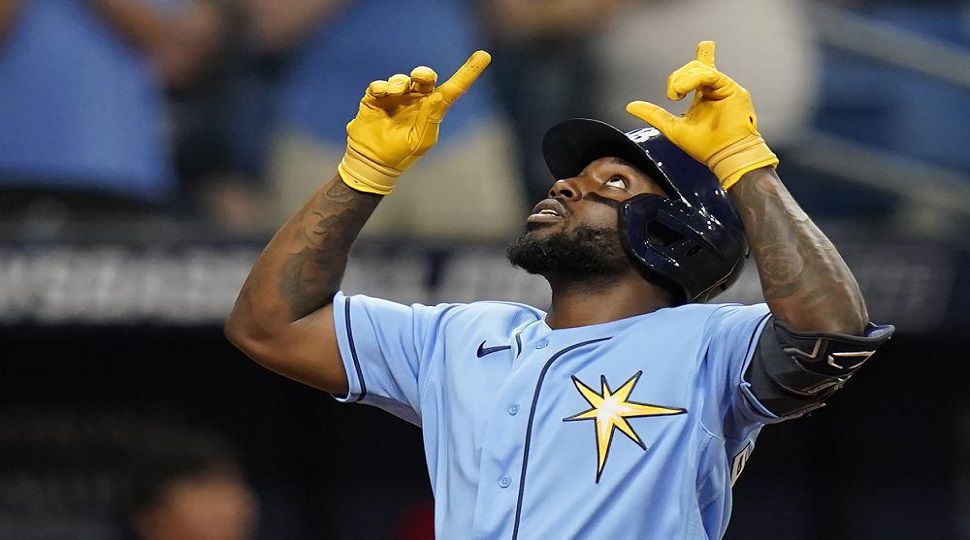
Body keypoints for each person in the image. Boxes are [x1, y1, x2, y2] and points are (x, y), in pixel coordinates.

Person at [225, 43, 894, 538]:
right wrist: (363, 171)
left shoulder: (709, 344)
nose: (565, 185)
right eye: (574, 178)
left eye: (613, 185)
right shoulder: (458, 336)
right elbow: (268, 325)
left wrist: (745, 163)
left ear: (672, 236)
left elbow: (829, 331)